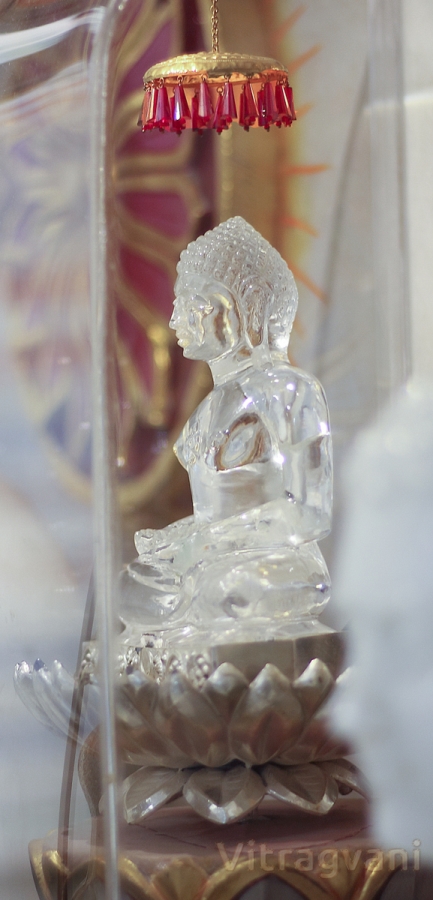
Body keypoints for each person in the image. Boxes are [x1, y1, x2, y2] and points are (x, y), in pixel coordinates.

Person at [121, 217, 332, 645]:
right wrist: (174, 540)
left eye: (191, 305)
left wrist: (200, 544)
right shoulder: (206, 412)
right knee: (133, 586)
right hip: (210, 563)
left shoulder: (291, 390)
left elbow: (309, 513)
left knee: (227, 589)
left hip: (274, 564)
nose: (175, 319)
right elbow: (210, 518)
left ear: (234, 309)